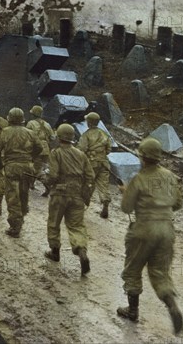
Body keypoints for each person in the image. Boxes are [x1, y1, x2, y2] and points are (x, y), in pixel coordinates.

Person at [117, 138, 183, 335]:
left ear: (142, 157)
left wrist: (126, 192)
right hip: (166, 229)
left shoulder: (139, 178)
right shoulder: (171, 177)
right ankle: (172, 305)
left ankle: (133, 310)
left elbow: (126, 208)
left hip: (144, 229)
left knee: (133, 269)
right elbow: (178, 204)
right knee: (160, 272)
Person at [43, 123, 95, 275]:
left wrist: (44, 179)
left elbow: (52, 175)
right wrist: (85, 194)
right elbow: (90, 176)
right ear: (73, 138)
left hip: (59, 193)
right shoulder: (81, 154)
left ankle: (55, 252)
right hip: (77, 195)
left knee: (54, 223)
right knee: (76, 226)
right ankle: (82, 252)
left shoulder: (56, 153)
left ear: (59, 137)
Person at [0, 108, 42, 238]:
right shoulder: (30, 133)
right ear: (22, 119)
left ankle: (15, 226)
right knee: (23, 193)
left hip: (12, 166)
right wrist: (30, 157)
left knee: (12, 195)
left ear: (9, 118)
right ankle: (22, 215)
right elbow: (40, 147)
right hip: (27, 167)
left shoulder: (5, 132)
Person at [77, 112, 112, 218]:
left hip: (91, 164)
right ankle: (105, 201)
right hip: (104, 163)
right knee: (103, 185)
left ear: (89, 122)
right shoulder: (105, 134)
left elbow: (81, 149)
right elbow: (109, 150)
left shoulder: (86, 134)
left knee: (87, 183)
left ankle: (82, 205)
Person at [26, 105, 54, 197]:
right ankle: (31, 184)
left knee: (36, 169)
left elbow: (27, 136)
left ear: (33, 114)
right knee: (42, 167)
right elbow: (53, 137)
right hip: (46, 149)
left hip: (36, 148)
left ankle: (47, 186)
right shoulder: (47, 124)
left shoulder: (30, 123)